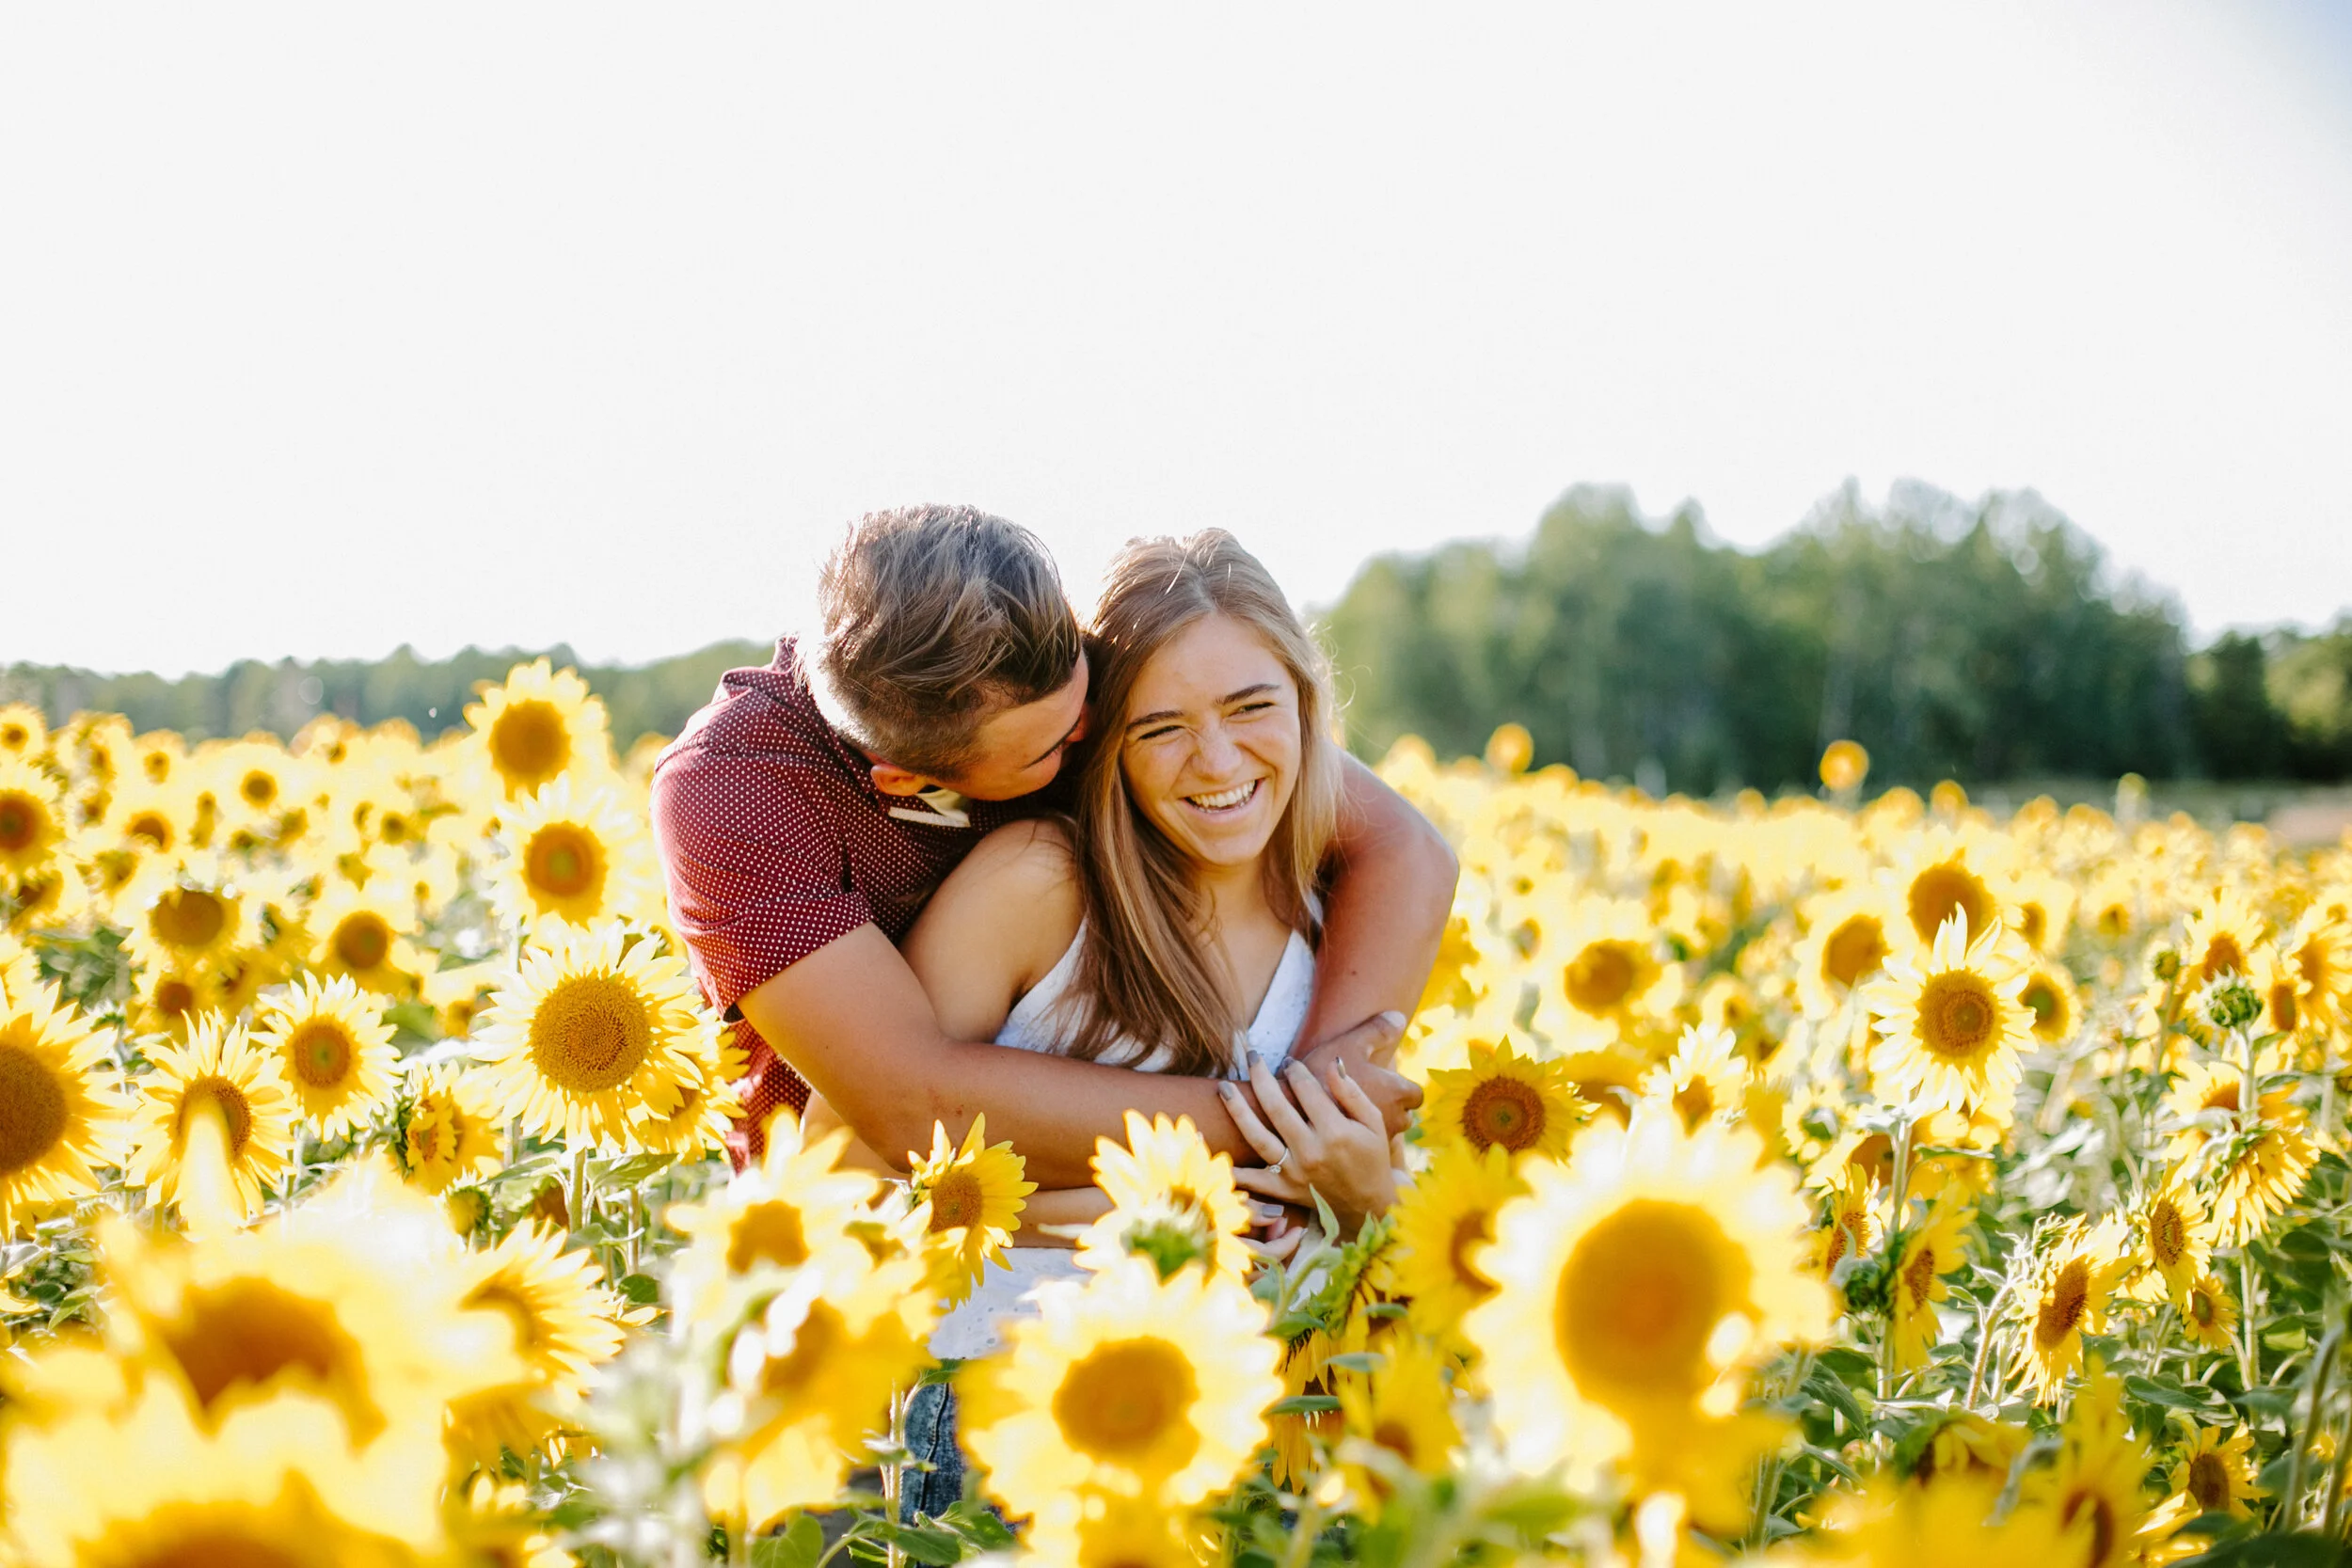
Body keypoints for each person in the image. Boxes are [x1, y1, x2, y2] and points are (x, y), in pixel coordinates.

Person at [805, 528, 1404, 1517]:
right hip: (1004, 1432)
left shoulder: (1335, 913)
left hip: (1250, 1442)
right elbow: (836, 1172)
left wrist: (1365, 1192)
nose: (1217, 759)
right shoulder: (1042, 884)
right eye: (1160, 727)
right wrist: (1094, 1211)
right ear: (1103, 739)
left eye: (1252, 706)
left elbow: (1357, 1226)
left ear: (1307, 701)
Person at [650, 505, 1456, 1190]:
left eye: (1093, 697)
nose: (1095, 732)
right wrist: (1290, 1122)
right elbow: (907, 1108)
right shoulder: (736, 792)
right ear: (905, 779)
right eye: (1057, 748)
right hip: (854, 1241)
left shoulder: (1042, 659)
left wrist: (1330, 1085)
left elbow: (1402, 844)